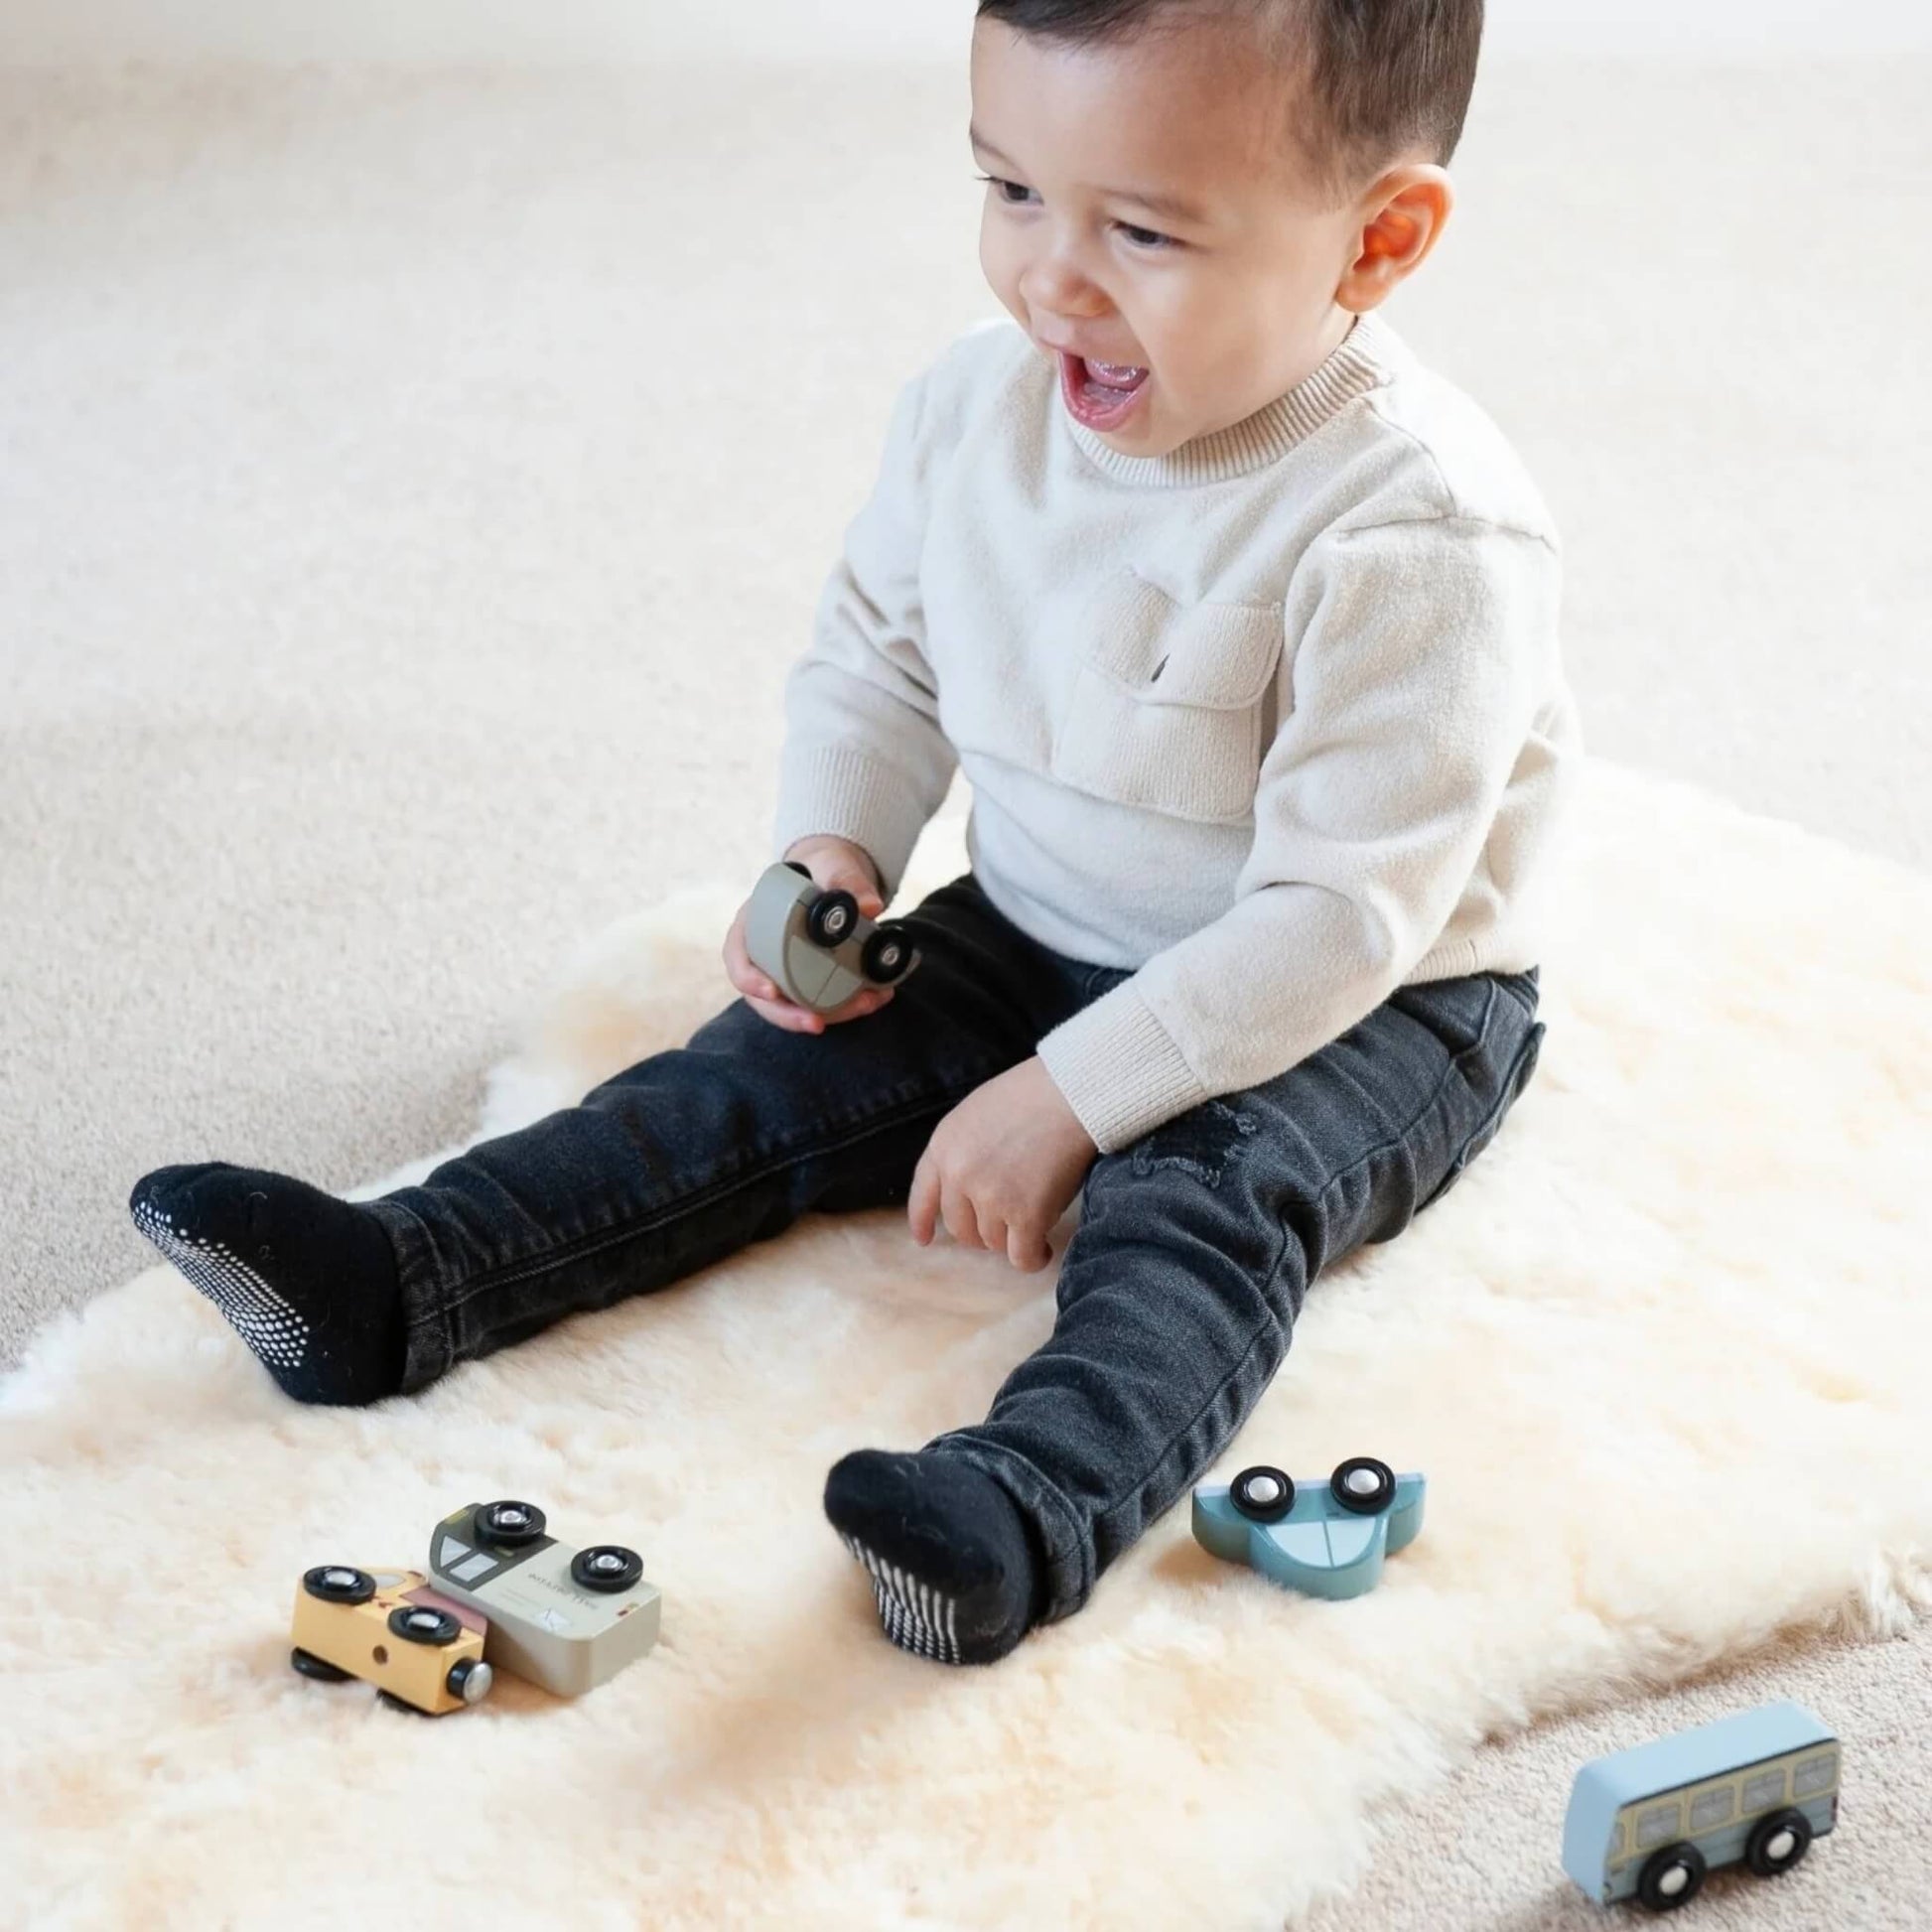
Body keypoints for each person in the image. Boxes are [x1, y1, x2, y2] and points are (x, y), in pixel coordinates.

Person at [129, 0, 1581, 1667]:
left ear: (1377, 241)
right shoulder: (980, 411)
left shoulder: (1419, 532)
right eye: (1012, 191)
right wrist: (834, 850)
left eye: (1144, 230)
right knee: (751, 1077)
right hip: (1046, 922)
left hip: (1369, 998)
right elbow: (882, 657)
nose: (1053, 279)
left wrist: (1065, 1098)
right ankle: (401, 1275)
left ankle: (1016, 1512)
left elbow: (1340, 920)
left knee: (1195, 1198)